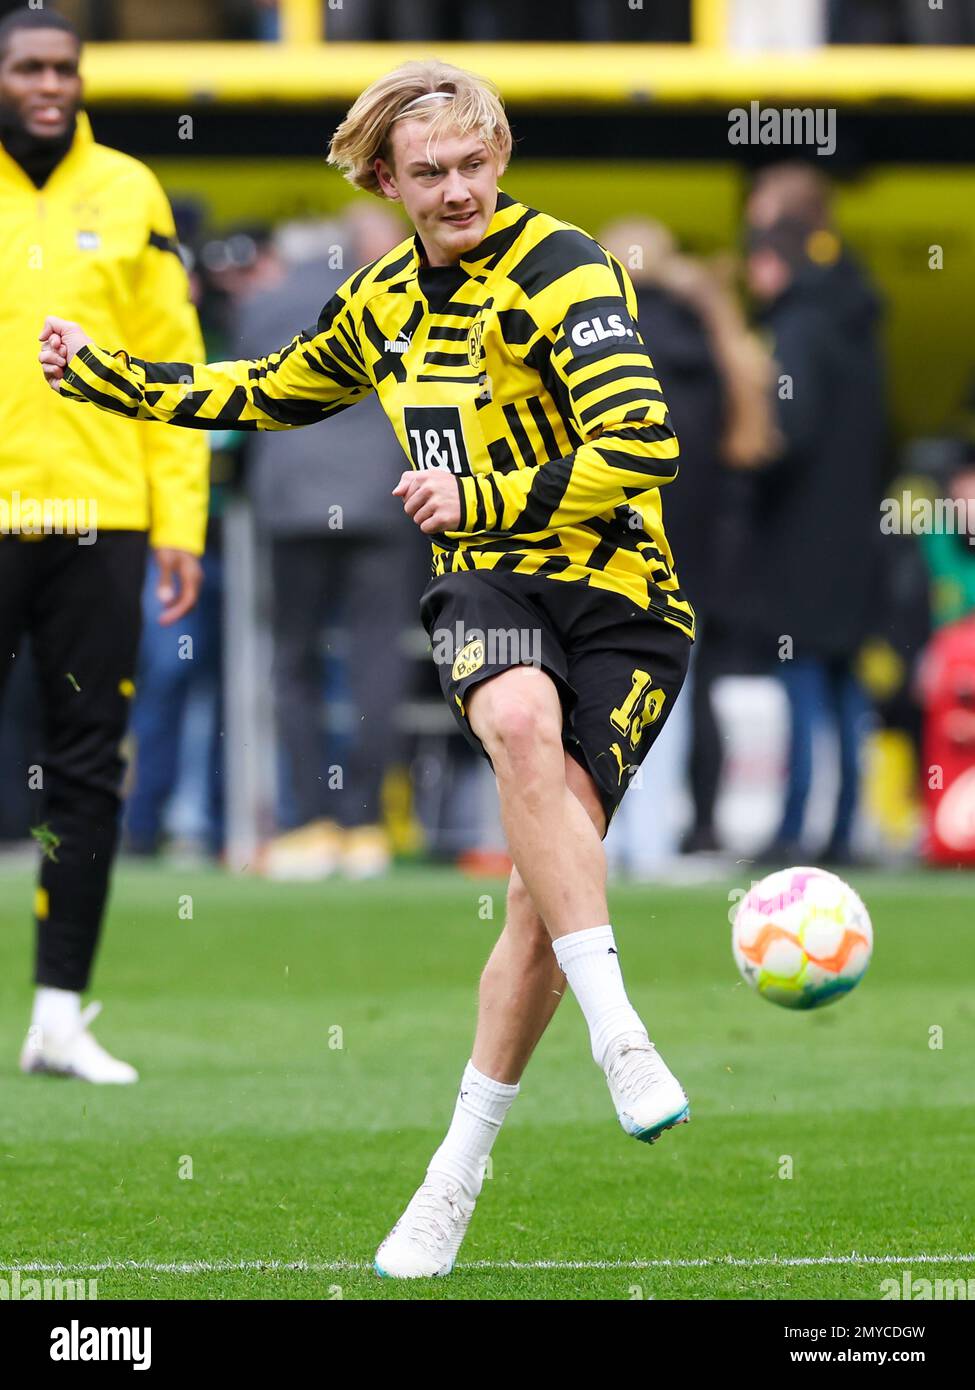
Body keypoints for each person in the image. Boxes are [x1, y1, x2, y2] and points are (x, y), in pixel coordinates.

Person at [40, 59, 693, 1278]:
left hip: (622, 594)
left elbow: (643, 441)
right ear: (384, 179)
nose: (459, 191)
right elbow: (268, 391)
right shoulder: (381, 299)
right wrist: (111, 376)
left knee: (536, 909)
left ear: (501, 156)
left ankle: (456, 1168)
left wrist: (475, 487)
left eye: (474, 164)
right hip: (491, 574)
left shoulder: (565, 265)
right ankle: (622, 1036)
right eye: (430, 172)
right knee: (514, 721)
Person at [0, 8, 207, 1082]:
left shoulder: (129, 190)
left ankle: (58, 1014)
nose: (51, 84)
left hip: (100, 517)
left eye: (65, 68)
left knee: (88, 766)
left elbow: (173, 362)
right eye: (29, 67)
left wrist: (181, 520)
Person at [241, 209, 422, 880]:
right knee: (379, 658)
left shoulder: (265, 303)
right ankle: (366, 823)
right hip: (383, 500)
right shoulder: (393, 300)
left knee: (294, 663)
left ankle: (310, 823)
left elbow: (244, 385)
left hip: (292, 507)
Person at [744, 163, 886, 865]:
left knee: (800, 678)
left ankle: (792, 829)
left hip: (800, 538)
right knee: (842, 682)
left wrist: (743, 452)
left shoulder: (797, 326)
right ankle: (844, 826)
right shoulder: (858, 312)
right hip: (853, 533)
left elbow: (787, 433)